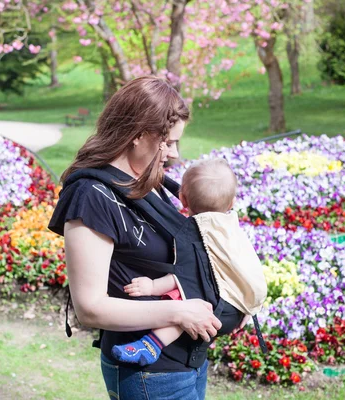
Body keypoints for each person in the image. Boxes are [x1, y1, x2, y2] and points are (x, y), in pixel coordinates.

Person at [48, 76, 231, 400]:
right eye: (169, 142)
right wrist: (179, 313)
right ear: (139, 135)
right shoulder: (92, 195)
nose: (174, 154)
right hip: (148, 373)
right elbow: (89, 307)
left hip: (185, 362)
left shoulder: (148, 179)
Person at [111, 158, 267, 366]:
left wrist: (153, 286)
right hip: (238, 311)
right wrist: (249, 303)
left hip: (216, 311)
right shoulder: (231, 230)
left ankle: (150, 345)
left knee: (183, 307)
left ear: (182, 199)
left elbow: (186, 275)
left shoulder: (197, 234)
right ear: (232, 203)